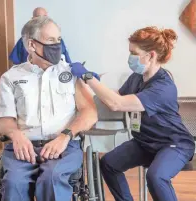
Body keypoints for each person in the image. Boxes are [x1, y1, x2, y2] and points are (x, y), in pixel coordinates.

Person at [70, 27, 195, 201]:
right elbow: (116, 96)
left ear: (150, 55)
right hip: (145, 142)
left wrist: (89, 78)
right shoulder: (137, 77)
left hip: (174, 144)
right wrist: (89, 88)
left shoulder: (163, 87)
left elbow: (117, 104)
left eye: (133, 53)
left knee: (156, 176)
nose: (130, 57)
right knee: (109, 164)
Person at [0, 16, 97, 201]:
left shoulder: (70, 72)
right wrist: (17, 136)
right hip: (24, 147)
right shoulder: (11, 77)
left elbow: (90, 113)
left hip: (64, 146)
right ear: (32, 45)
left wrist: (65, 136)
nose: (57, 45)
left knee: (52, 178)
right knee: (14, 183)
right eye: (50, 41)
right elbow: (5, 120)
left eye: (58, 40)